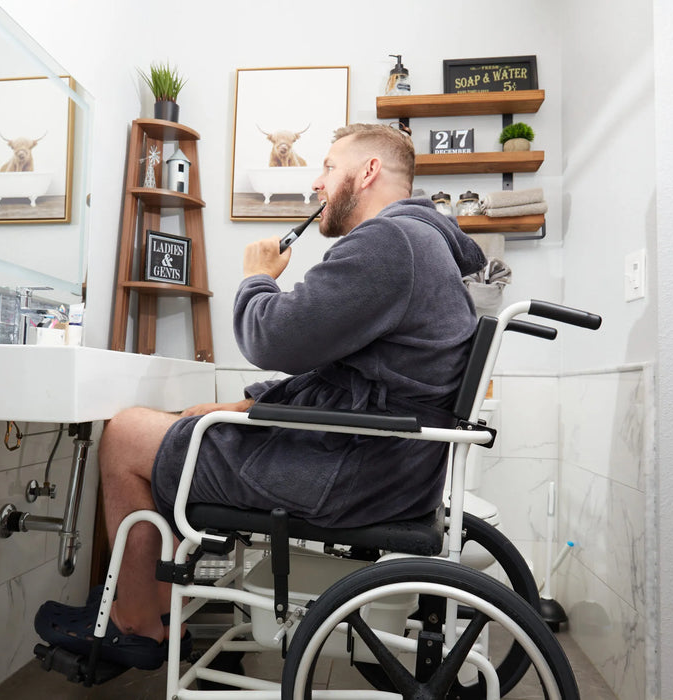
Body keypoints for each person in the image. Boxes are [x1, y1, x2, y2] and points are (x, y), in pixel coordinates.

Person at [36, 123, 486, 669]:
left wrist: (256, 278)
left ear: (367, 172)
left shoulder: (389, 243)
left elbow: (272, 339)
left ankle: (137, 626)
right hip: (382, 463)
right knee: (185, 424)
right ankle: (160, 609)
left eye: (327, 166)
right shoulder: (421, 243)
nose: (316, 183)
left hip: (355, 471)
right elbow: (347, 378)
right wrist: (243, 408)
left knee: (127, 434)